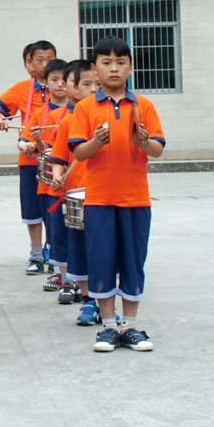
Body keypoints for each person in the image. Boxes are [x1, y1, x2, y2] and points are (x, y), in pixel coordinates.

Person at [70, 36, 165, 352]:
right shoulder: (85, 107)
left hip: (136, 198)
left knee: (133, 261)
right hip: (99, 200)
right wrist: (97, 141)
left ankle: (131, 325)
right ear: (95, 69)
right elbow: (79, 153)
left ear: (130, 68)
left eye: (121, 62)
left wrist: (143, 140)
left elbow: (157, 150)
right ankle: (109, 326)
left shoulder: (143, 106)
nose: (114, 68)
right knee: (102, 260)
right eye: (107, 62)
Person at [0, 39, 58, 273]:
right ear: (30, 63)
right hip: (30, 159)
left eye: (50, 60)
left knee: (55, 208)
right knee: (32, 208)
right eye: (40, 60)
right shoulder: (22, 89)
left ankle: (55, 251)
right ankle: (36, 254)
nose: (45, 65)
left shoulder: (63, 86)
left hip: (58, 159)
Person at [46, 60, 103, 323]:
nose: (93, 90)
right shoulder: (69, 122)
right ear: (74, 88)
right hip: (77, 196)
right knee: (79, 250)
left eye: (98, 85)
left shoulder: (110, 118)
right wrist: (58, 176)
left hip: (106, 195)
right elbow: (59, 157)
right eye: (87, 84)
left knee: (103, 250)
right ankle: (89, 301)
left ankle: (105, 300)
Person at [19, 59, 70, 292]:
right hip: (49, 181)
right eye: (54, 80)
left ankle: (72, 273)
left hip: (75, 180)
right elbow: (31, 143)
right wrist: (32, 143)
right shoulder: (42, 114)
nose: (60, 84)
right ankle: (57, 269)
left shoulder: (79, 110)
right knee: (54, 225)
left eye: (64, 80)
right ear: (46, 83)